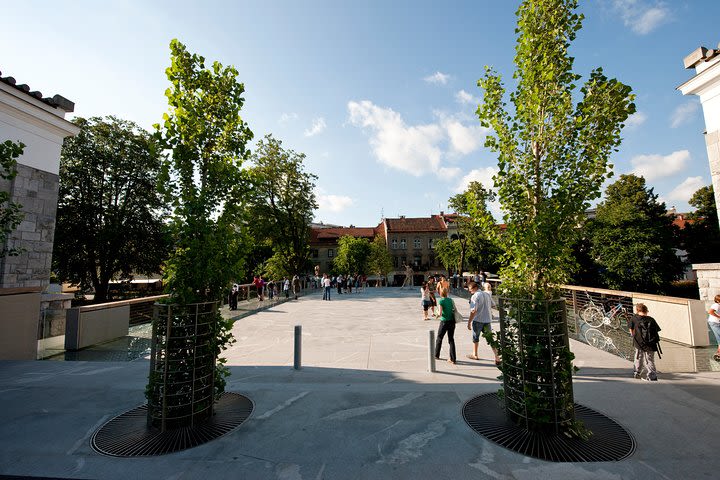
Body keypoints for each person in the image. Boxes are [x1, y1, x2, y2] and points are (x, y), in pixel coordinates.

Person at [466, 281, 500, 365]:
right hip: (487, 320)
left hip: (478, 320)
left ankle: (475, 354)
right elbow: (493, 305)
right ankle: (497, 357)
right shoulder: (486, 294)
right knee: (490, 339)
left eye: (470, 290)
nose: (470, 291)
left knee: (475, 337)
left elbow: (473, 311)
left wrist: (469, 321)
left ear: (474, 288)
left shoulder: (475, 296)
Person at [629, 303, 661, 381]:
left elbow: (631, 330)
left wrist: (634, 335)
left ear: (637, 310)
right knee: (650, 359)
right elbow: (657, 330)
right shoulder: (651, 319)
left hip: (639, 342)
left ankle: (637, 372)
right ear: (646, 310)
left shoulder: (634, 318)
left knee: (638, 357)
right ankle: (652, 376)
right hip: (651, 344)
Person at [434, 287, 457, 364]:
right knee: (451, 339)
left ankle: (436, 355)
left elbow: (440, 314)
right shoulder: (450, 300)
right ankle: (453, 359)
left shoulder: (441, 301)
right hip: (452, 321)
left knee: (439, 338)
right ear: (447, 292)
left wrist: (436, 314)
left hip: (444, 322)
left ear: (440, 293)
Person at [708, 294, 720, 362]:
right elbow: (710, 312)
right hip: (714, 323)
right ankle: (718, 353)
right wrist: (719, 317)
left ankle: (718, 353)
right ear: (717, 300)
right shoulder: (716, 305)